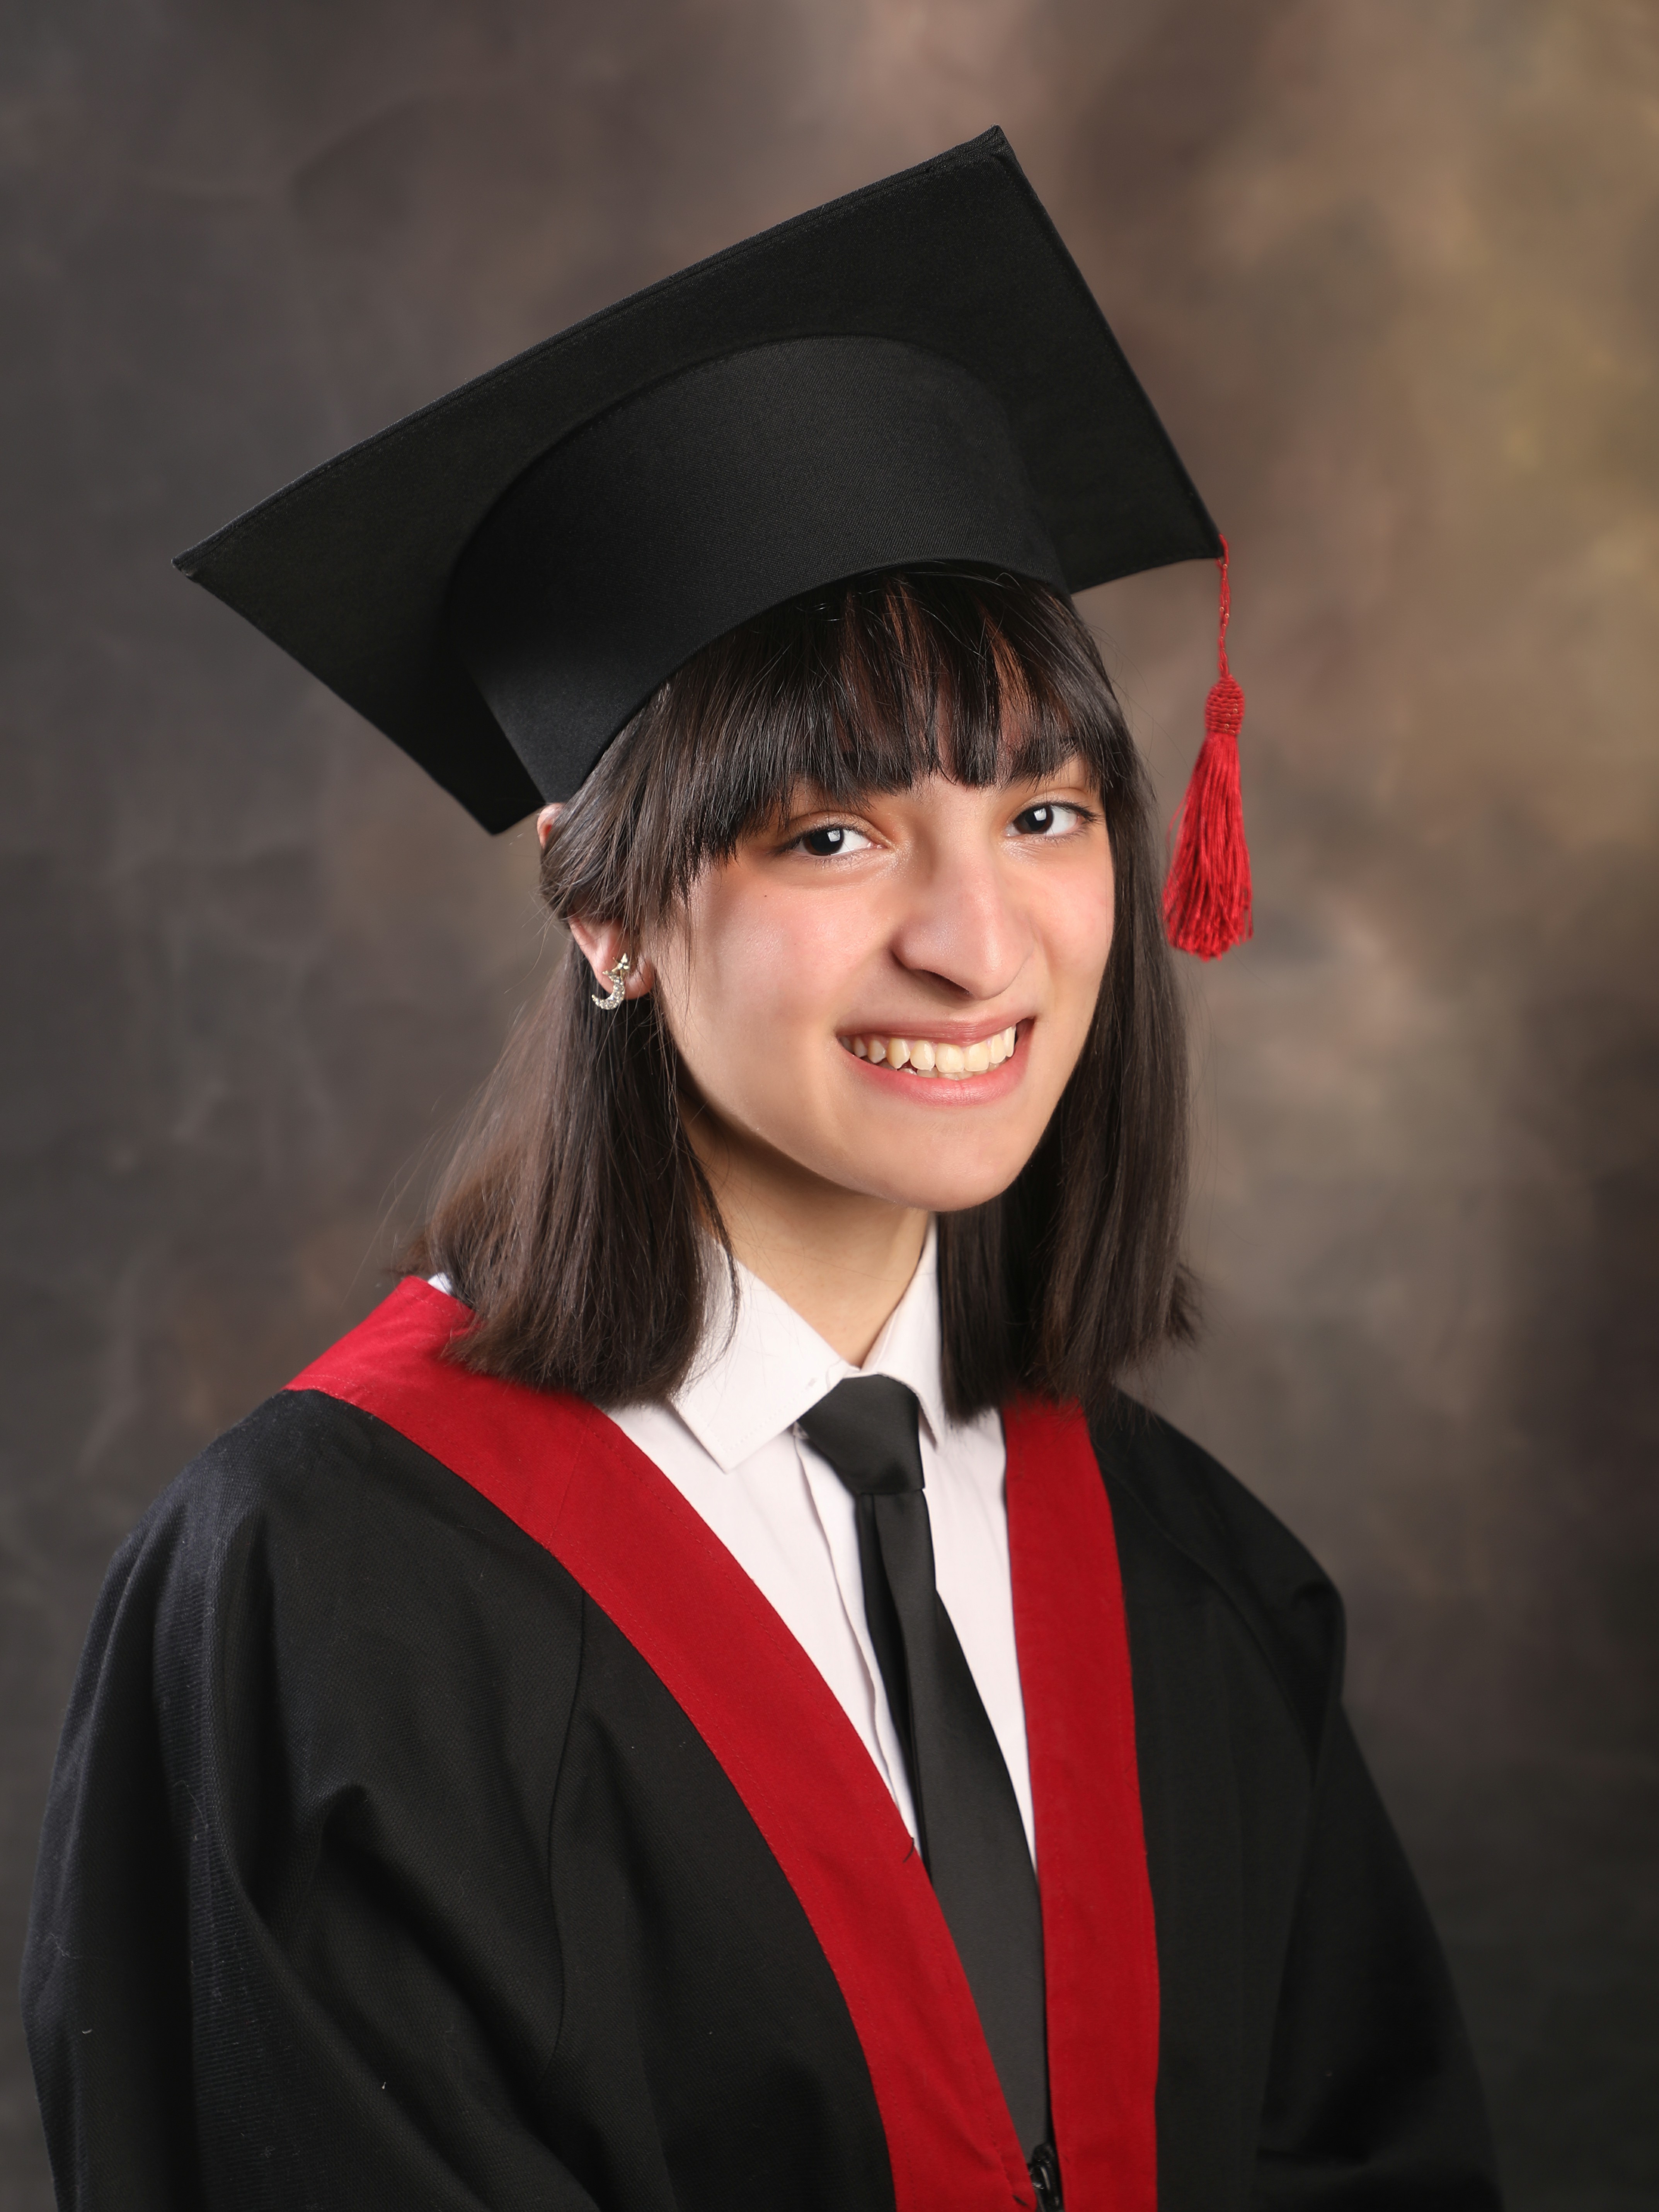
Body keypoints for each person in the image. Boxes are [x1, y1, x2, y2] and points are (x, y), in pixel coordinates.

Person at [21, 130, 1501, 2211]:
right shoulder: (325, 1595)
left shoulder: (1188, 1571)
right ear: (600, 909)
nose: (975, 947)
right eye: (831, 835)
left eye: (1045, 815)